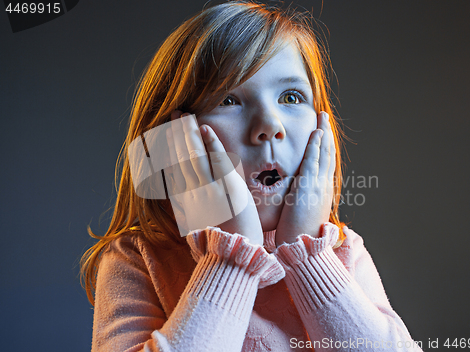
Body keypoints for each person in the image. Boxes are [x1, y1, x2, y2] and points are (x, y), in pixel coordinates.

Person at [81, 1, 423, 351]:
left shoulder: (341, 252)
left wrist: (308, 257)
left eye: (291, 96)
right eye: (228, 100)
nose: (270, 126)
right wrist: (233, 257)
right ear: (174, 141)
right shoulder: (137, 259)